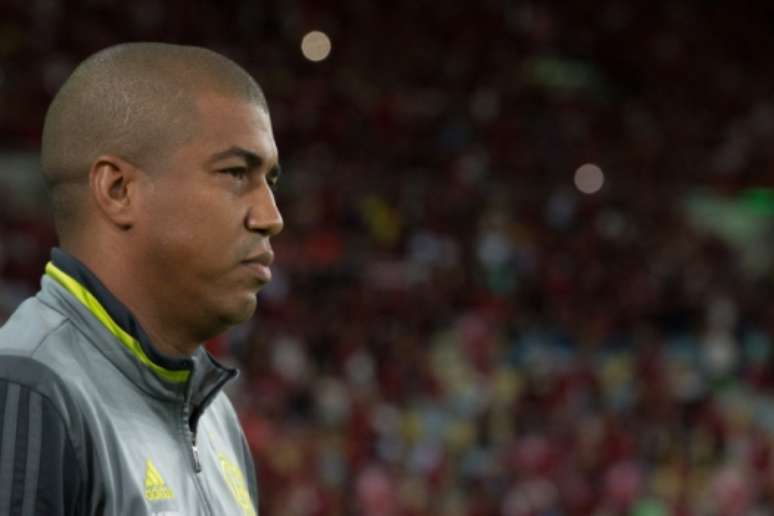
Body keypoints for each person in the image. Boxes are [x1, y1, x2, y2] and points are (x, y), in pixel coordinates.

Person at [0, 42, 283, 515]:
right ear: (118, 190)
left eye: (270, 181)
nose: (271, 217)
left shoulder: (217, 422)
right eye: (236, 173)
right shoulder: (28, 392)